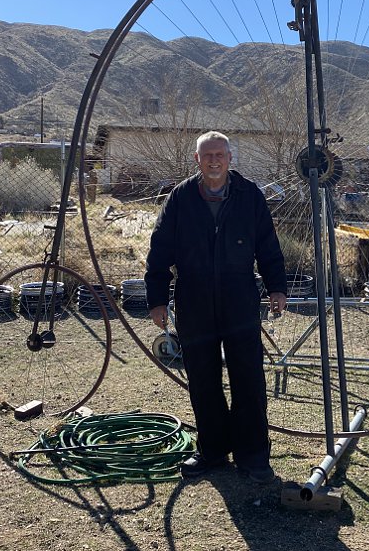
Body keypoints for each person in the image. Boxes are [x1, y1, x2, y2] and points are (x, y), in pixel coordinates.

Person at [145, 131, 288, 484]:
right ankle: (212, 451)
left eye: (219, 154)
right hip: (194, 297)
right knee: (202, 377)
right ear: (197, 159)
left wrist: (277, 287)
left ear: (229, 158)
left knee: (248, 376)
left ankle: (253, 456)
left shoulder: (249, 195)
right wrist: (157, 299)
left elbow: (268, 245)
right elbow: (159, 249)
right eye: (207, 155)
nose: (213, 160)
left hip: (239, 296)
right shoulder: (180, 198)